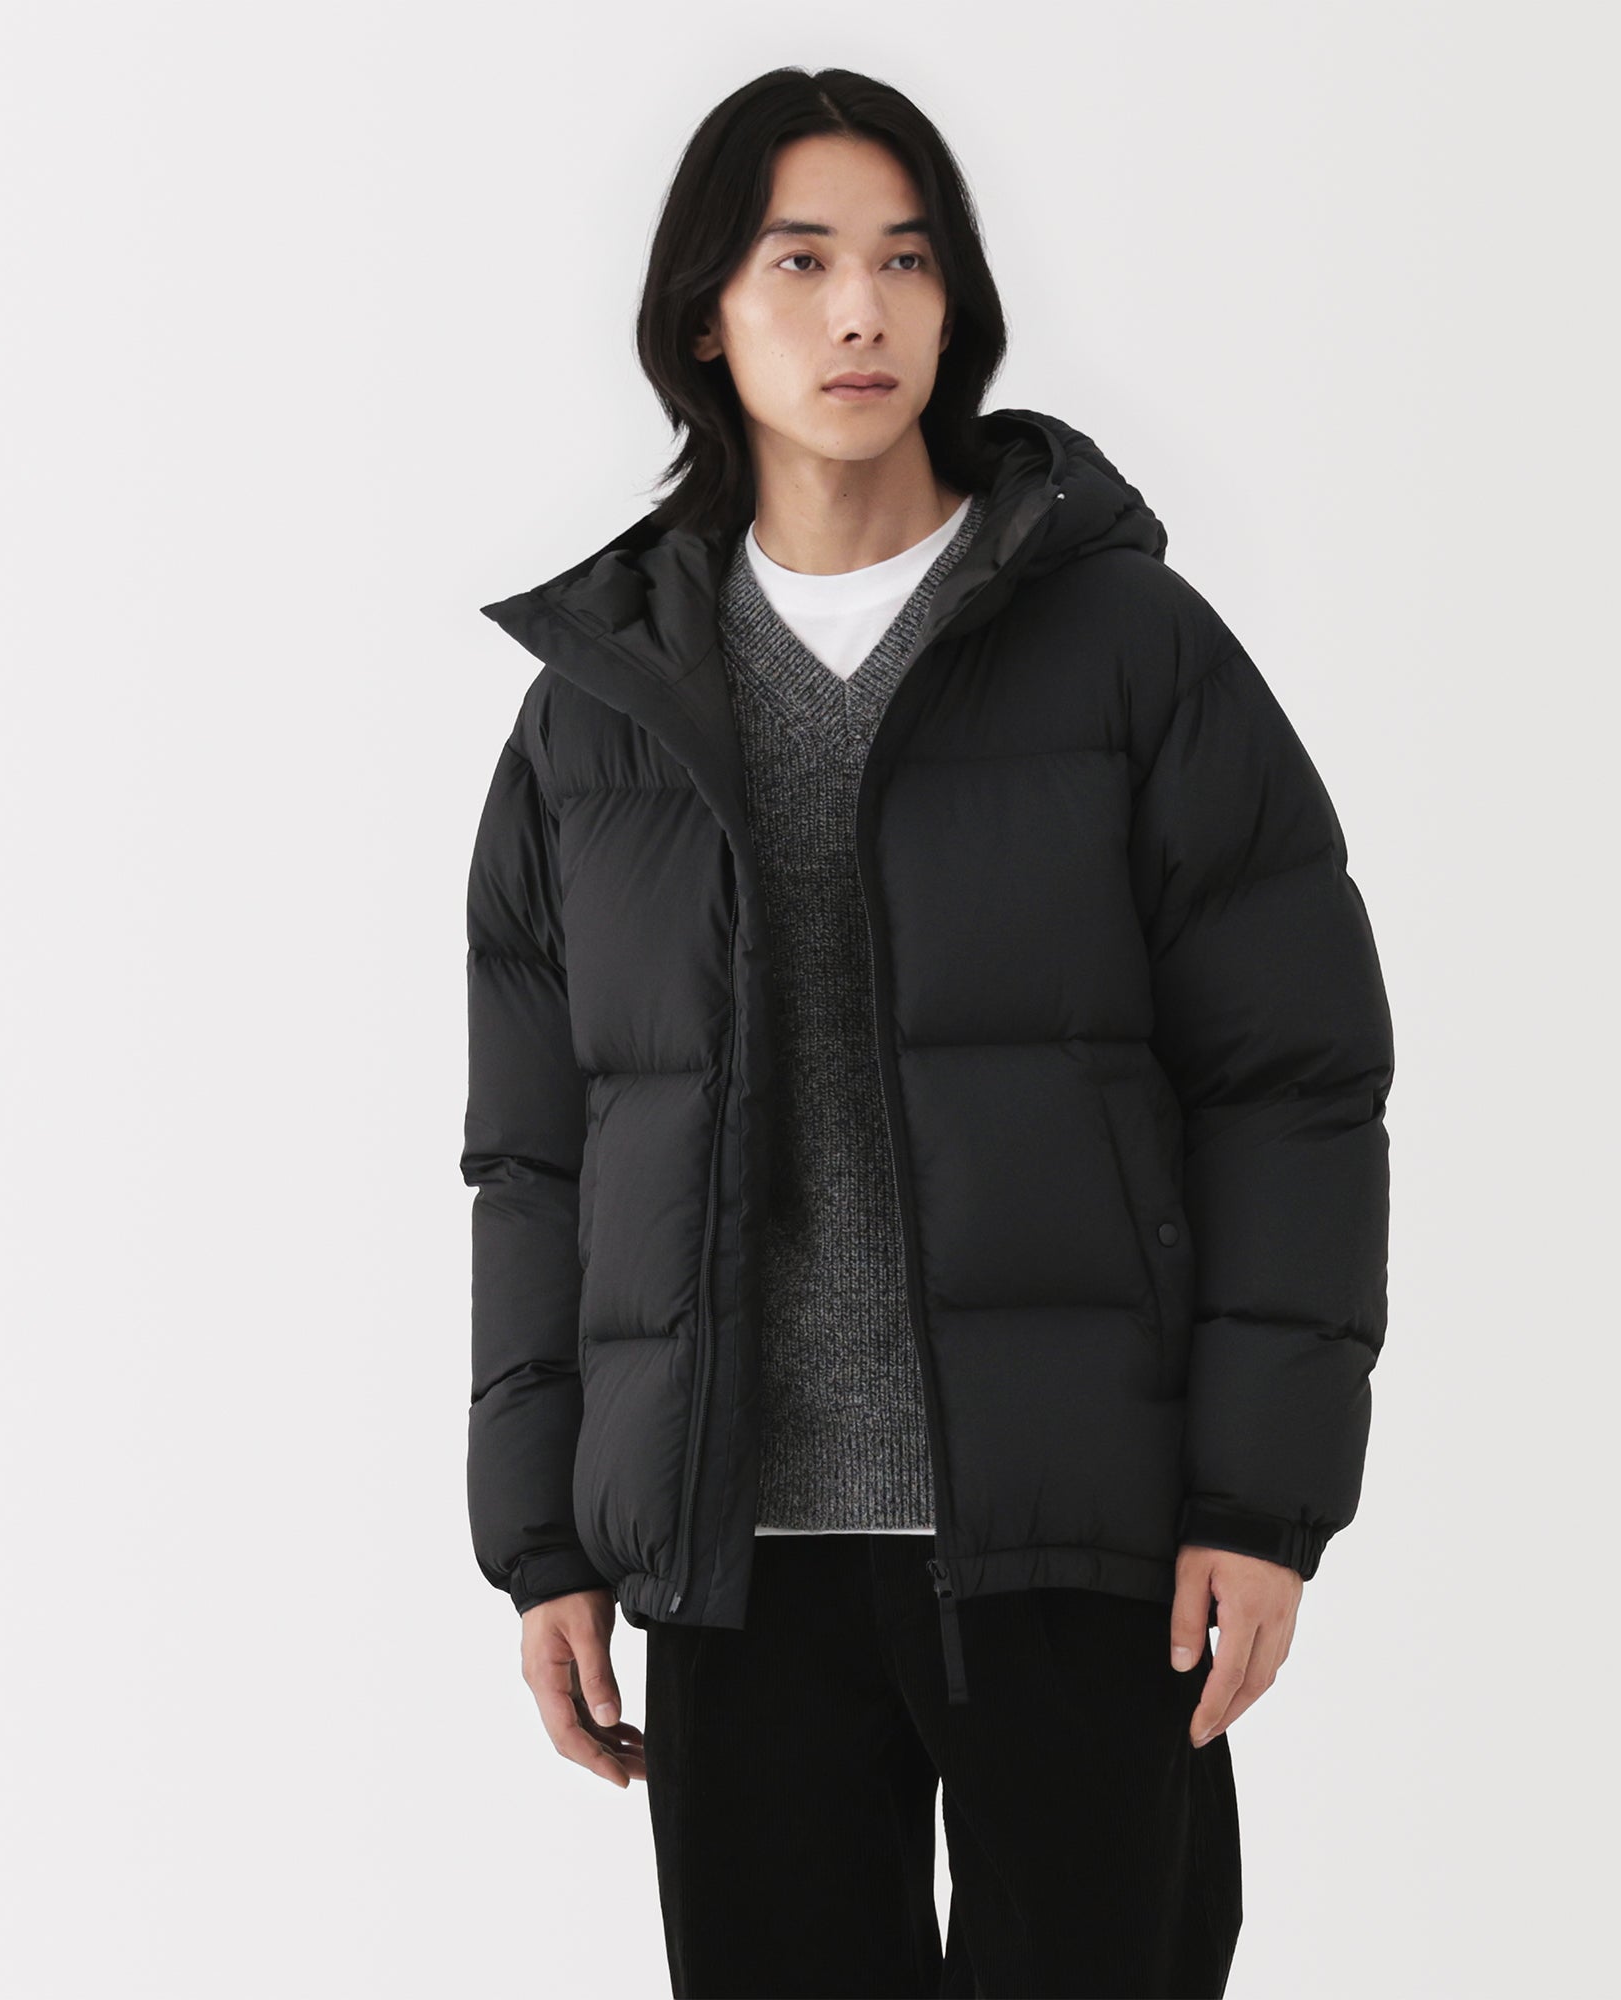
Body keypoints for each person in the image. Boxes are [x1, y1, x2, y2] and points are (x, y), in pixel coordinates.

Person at [460, 66, 1393, 2000]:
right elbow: (538, 1155)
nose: (860, 313)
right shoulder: (599, 712)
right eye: (801, 263)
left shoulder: (1130, 651)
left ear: (958, 303)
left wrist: (1259, 1500)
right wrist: (545, 1538)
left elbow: (1291, 1083)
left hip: (1078, 1536)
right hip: (736, 1552)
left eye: (906, 261)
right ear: (703, 314)